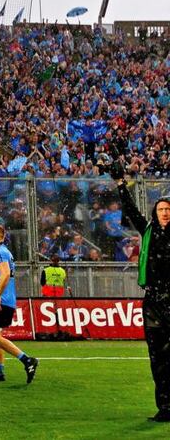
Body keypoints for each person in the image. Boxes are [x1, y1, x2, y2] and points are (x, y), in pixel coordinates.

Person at [115, 173, 170, 422]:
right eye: (161, 209)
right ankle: (166, 407)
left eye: (168, 209)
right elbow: (130, 210)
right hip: (153, 302)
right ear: (155, 212)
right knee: (157, 358)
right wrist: (120, 185)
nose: (165, 213)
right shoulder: (147, 230)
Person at [0, 225, 39, 383]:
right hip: (7, 299)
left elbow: (5, 273)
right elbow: (6, 274)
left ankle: (27, 360)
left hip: (0, 300)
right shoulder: (3, 251)